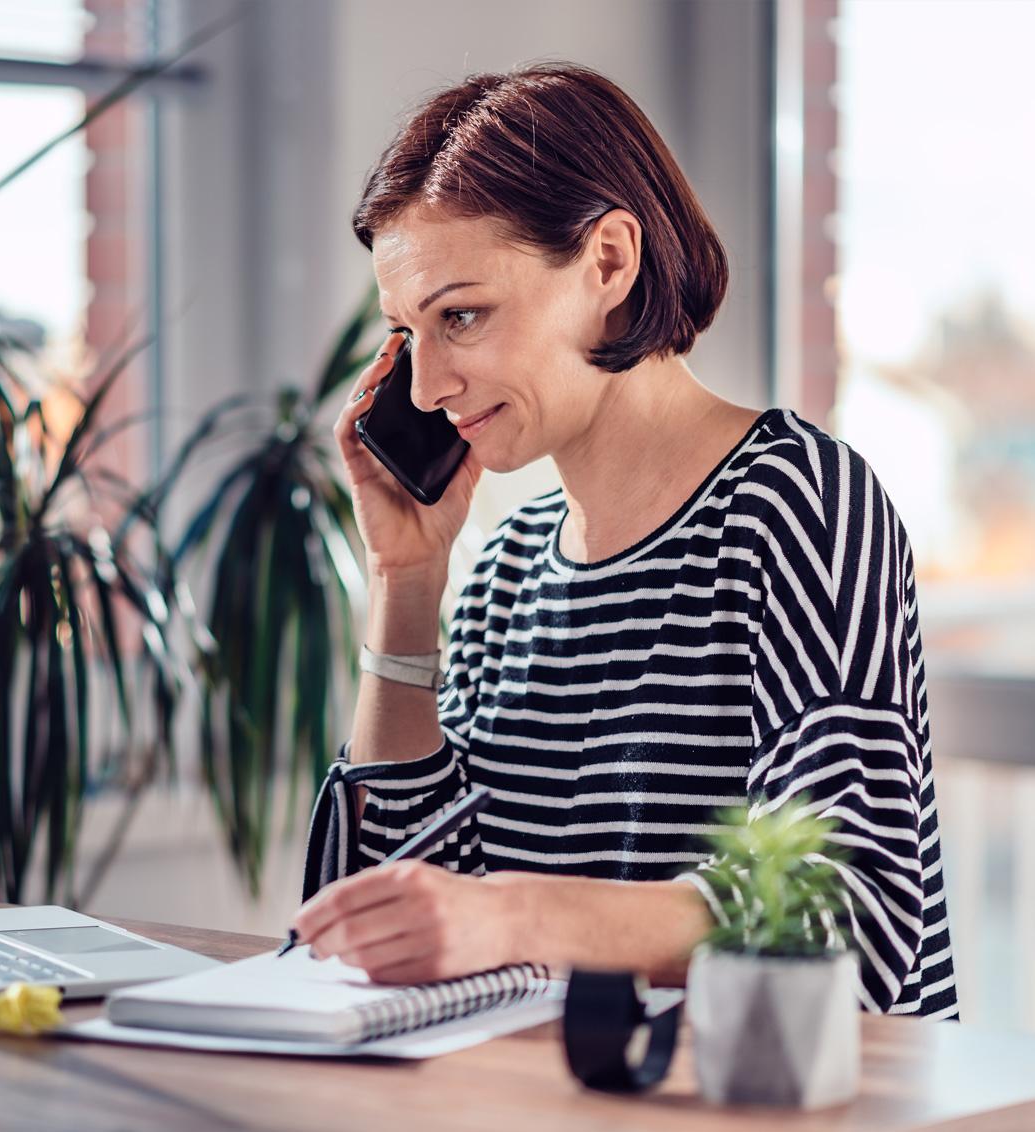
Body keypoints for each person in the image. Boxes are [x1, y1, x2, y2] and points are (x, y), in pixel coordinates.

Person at [288, 62, 957, 1019]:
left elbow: (849, 916)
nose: (426, 385)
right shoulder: (505, 573)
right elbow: (375, 931)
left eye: (462, 317)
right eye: (408, 332)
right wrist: (406, 586)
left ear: (608, 262)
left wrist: (517, 916)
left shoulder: (801, 503)